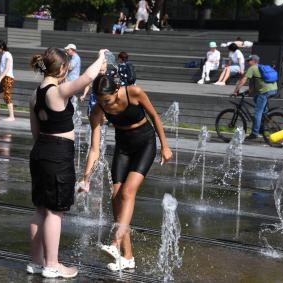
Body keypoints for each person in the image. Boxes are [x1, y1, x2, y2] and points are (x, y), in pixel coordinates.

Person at [78, 75, 173, 271]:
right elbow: (94, 149)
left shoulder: (133, 93)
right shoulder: (97, 110)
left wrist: (165, 146)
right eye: (100, 101)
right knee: (116, 197)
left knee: (127, 193)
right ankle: (127, 257)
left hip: (144, 144)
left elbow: (154, 116)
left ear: (116, 91)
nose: (107, 106)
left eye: (108, 100)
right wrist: (85, 177)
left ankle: (115, 242)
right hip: (123, 148)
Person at [27, 48, 107, 278]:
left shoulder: (34, 95)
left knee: (41, 209)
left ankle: (35, 261)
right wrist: (100, 57)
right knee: (55, 211)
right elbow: (87, 78)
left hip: (40, 151)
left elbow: (35, 132)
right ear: (61, 68)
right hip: (57, 153)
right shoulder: (58, 91)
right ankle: (52, 265)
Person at [234, 55, 278, 139]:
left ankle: (254, 133)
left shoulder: (252, 68)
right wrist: (247, 92)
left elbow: (243, 80)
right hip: (273, 89)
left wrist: (236, 91)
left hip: (265, 91)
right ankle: (263, 126)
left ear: (254, 61)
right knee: (258, 102)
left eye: (249, 60)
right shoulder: (261, 67)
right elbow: (255, 84)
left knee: (258, 112)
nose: (248, 62)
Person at [0, 40, 15, 121]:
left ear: (1, 47)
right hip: (4, 77)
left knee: (7, 96)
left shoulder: (8, 55)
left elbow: (7, 69)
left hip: (8, 77)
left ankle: (12, 116)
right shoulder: (4, 55)